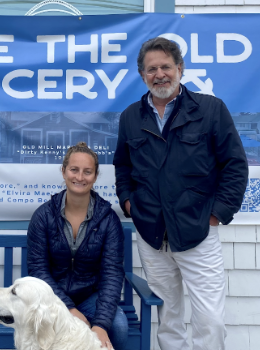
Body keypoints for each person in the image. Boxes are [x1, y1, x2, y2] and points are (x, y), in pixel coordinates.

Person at [113, 37, 248, 350]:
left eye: (166, 67)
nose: (160, 74)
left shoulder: (211, 110)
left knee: (210, 320)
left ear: (180, 69)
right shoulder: (131, 117)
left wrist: (217, 213)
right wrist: (130, 203)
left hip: (198, 230)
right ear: (142, 74)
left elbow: (235, 165)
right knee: (168, 318)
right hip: (151, 235)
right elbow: (122, 166)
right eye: (151, 69)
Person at [27, 142, 128, 350]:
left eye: (87, 172)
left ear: (96, 175)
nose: (80, 177)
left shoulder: (109, 220)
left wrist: (100, 324)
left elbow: (112, 274)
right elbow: (38, 270)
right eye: (74, 170)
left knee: (118, 326)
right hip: (51, 299)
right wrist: (69, 309)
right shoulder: (43, 216)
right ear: (63, 171)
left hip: (91, 297)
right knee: (38, 329)